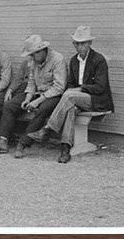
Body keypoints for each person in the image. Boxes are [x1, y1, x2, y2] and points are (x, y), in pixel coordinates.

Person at [28, 26, 114, 163]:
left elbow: (100, 87)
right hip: (76, 100)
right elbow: (70, 84)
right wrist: (73, 90)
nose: (80, 47)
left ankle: (48, 129)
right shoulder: (74, 61)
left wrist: (79, 89)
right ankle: (65, 148)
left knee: (68, 96)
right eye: (77, 43)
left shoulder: (98, 60)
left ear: (89, 43)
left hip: (97, 100)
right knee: (70, 108)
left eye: (83, 43)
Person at [0, 34, 66, 157]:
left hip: (53, 95)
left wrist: (37, 102)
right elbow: (32, 82)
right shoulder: (34, 60)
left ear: (42, 50)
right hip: (37, 93)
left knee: (42, 110)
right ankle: (2, 141)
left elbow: (59, 87)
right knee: (10, 105)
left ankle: (23, 143)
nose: (31, 57)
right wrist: (27, 99)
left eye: (33, 54)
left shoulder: (57, 59)